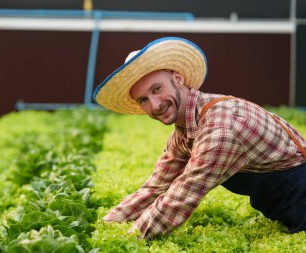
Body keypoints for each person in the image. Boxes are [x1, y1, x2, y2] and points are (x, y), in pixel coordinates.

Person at [92, 37, 306, 239]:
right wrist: (110, 221)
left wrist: (131, 238)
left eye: (157, 89)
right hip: (287, 209)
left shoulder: (221, 126)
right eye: (143, 100)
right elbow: (155, 187)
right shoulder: (184, 132)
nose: (155, 105)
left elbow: (181, 197)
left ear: (178, 79)